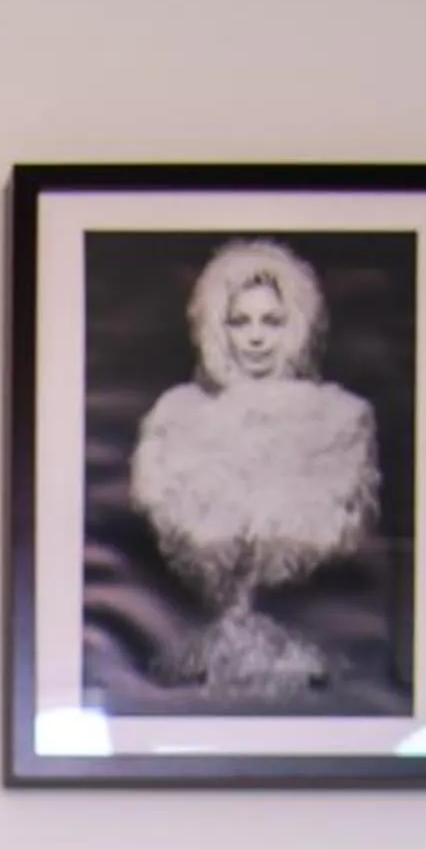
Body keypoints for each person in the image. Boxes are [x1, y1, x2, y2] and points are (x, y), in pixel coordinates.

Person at [129, 238, 380, 696]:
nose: (257, 337)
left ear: (296, 326)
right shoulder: (176, 422)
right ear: (216, 328)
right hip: (196, 669)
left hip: (317, 666)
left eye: (272, 321)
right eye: (240, 321)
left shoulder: (339, 424)